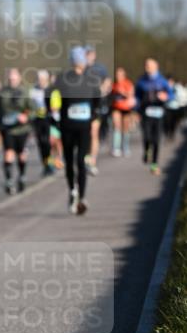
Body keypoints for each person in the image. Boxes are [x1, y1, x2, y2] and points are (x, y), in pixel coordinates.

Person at [52, 47, 100, 214]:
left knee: (72, 161)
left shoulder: (63, 79)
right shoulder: (88, 80)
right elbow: (97, 104)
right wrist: (93, 117)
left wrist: (54, 118)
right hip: (79, 127)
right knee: (79, 161)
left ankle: (75, 191)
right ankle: (80, 195)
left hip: (70, 126)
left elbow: (50, 98)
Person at [0, 68, 33, 195]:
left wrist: (26, 116)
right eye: (10, 78)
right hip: (8, 129)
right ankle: (9, 181)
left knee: (21, 155)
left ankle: (22, 176)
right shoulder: (2, 93)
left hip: (22, 129)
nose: (12, 80)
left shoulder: (25, 92)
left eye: (14, 77)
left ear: (19, 78)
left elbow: (33, 109)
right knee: (8, 153)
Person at [135, 59, 170, 175]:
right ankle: (146, 151)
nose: (147, 67)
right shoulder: (141, 81)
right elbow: (137, 97)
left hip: (159, 113)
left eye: (149, 65)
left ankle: (154, 163)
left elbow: (170, 94)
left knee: (156, 139)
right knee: (147, 136)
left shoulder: (162, 81)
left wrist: (166, 97)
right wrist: (136, 109)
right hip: (146, 113)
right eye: (145, 65)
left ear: (156, 67)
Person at [84, 45, 110, 176]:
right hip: (83, 105)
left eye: (90, 53)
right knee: (85, 134)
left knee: (94, 133)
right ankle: (85, 157)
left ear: (94, 55)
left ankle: (92, 162)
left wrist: (101, 91)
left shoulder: (100, 68)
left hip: (96, 105)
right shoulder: (80, 68)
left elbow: (107, 82)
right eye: (86, 54)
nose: (88, 56)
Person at [30, 70, 53, 175]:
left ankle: (51, 163)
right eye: (39, 79)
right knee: (41, 144)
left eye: (43, 79)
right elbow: (30, 106)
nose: (41, 82)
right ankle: (45, 165)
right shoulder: (33, 91)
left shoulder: (53, 90)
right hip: (38, 120)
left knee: (49, 143)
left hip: (50, 119)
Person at [110, 67, 135, 157]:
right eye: (117, 74)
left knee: (125, 128)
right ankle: (116, 148)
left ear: (124, 75)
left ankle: (125, 147)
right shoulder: (114, 84)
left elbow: (131, 95)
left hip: (126, 108)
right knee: (116, 126)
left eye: (120, 74)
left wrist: (123, 92)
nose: (118, 76)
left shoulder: (128, 83)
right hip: (116, 108)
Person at [163, 75, 180, 141]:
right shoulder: (164, 88)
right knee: (167, 122)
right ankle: (167, 133)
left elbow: (179, 96)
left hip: (175, 107)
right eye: (168, 81)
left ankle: (172, 134)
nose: (170, 82)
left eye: (171, 81)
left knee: (173, 122)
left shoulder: (176, 88)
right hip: (167, 107)